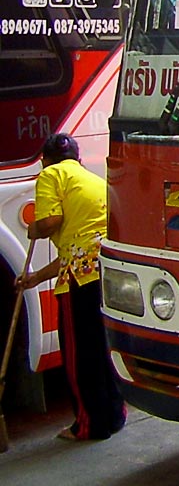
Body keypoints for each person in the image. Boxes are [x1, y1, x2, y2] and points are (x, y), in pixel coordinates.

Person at [15, 133, 125, 440]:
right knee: (102, 347)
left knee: (79, 354)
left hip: (80, 276)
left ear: (44, 160)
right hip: (102, 267)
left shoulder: (50, 174)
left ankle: (88, 423)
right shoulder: (87, 178)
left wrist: (33, 228)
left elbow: (50, 222)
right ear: (76, 159)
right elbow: (73, 251)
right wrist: (35, 279)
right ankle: (114, 415)